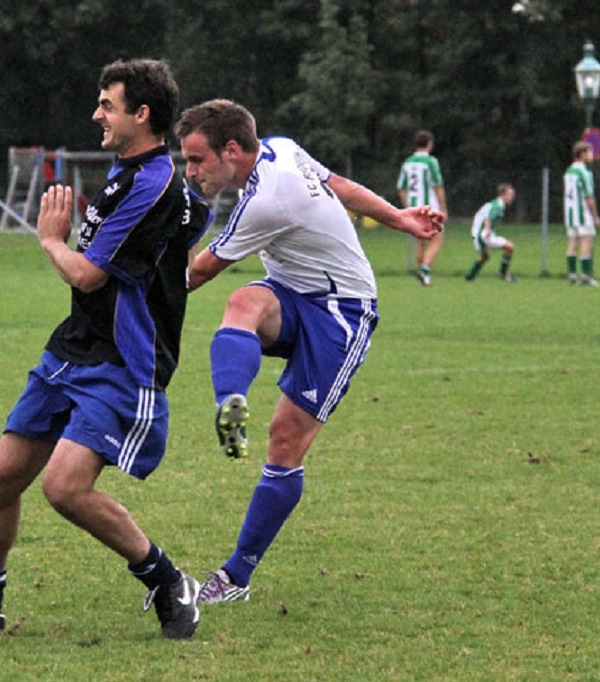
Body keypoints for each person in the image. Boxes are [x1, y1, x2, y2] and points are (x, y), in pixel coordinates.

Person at [0, 59, 211, 640]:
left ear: (141, 115)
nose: (96, 114)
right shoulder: (133, 172)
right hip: (74, 347)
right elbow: (196, 218)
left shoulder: (152, 184)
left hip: (122, 360)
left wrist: (51, 240)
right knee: (0, 479)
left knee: (64, 488)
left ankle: (170, 581)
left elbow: (89, 276)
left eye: (107, 105)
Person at [174, 100, 443, 604]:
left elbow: (199, 272)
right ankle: (230, 403)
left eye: (196, 159)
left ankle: (235, 578)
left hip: (342, 313)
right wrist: (400, 219)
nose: (190, 171)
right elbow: (338, 185)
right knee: (243, 303)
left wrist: (127, 289)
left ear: (230, 150)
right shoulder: (282, 148)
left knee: (285, 441)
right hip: (293, 292)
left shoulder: (266, 201)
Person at [397, 130, 448, 286]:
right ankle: (424, 270)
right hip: (429, 206)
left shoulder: (407, 162)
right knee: (437, 239)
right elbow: (438, 185)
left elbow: (401, 188)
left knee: (420, 241)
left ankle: (424, 278)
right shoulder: (430, 162)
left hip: (414, 207)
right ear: (429, 144)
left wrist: (407, 207)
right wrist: (443, 208)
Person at [564, 142, 600, 287]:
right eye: (590, 152)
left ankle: (572, 275)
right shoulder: (584, 173)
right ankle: (586, 277)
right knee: (586, 242)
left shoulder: (569, 171)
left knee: (572, 242)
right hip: (583, 213)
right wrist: (595, 217)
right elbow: (589, 197)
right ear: (582, 154)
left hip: (570, 213)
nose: (592, 155)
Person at [465, 183, 517, 282]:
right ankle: (503, 274)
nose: (512, 197)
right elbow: (488, 217)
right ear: (502, 194)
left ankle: (470, 276)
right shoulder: (498, 205)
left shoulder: (495, 203)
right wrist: (488, 229)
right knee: (510, 247)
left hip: (477, 233)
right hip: (483, 233)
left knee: (485, 257)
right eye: (510, 195)